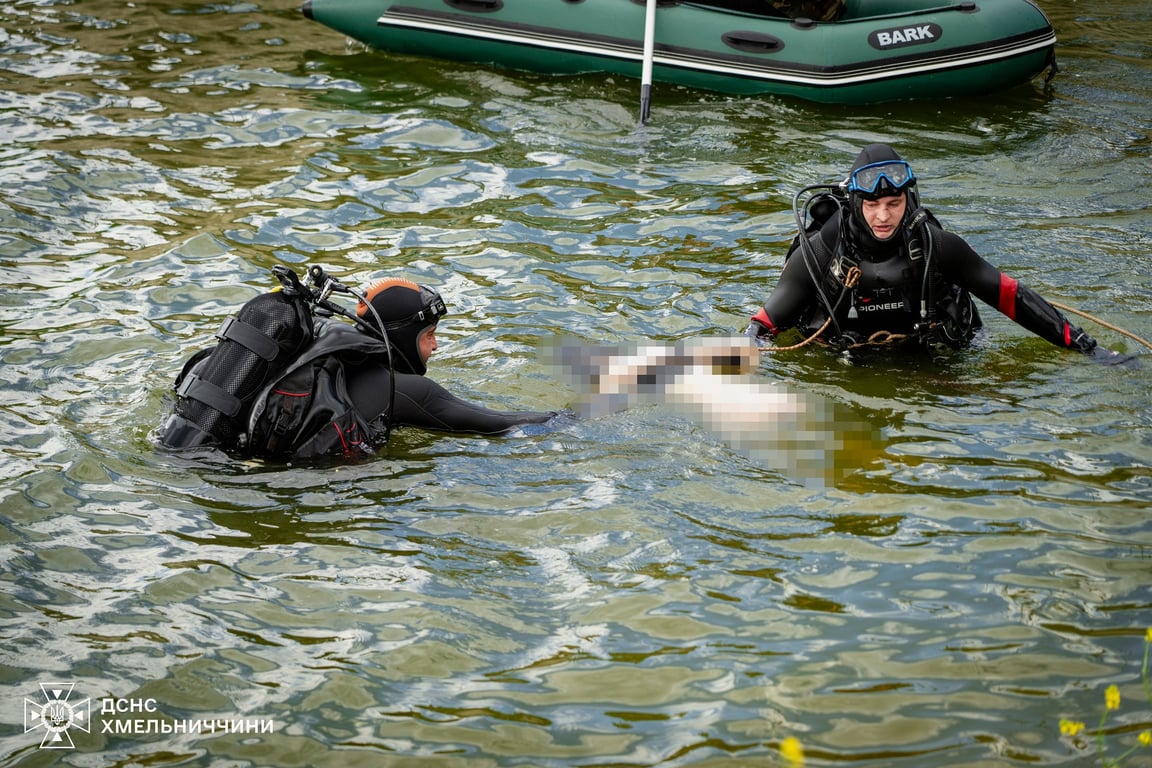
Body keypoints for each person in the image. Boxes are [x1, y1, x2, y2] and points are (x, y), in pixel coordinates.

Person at [747, 143, 1134, 364]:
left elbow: (1009, 295)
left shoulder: (936, 245)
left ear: (908, 199)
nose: (883, 216)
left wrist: (1089, 348)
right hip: (844, 357)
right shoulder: (821, 251)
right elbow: (765, 322)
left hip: (928, 353)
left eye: (894, 203)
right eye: (872, 205)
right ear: (853, 204)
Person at [159, 276, 556, 460]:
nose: (436, 344)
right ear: (401, 334)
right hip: (266, 484)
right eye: (429, 333)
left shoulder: (318, 354)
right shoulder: (404, 390)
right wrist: (582, 413)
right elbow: (503, 424)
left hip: (197, 450)